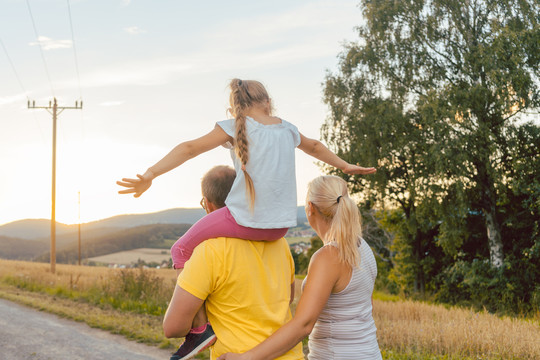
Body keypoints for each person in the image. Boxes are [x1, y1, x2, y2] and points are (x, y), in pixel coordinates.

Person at [117, 78, 376, 351]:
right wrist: (345, 165)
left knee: (180, 249)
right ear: (267, 102)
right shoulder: (287, 129)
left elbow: (189, 148)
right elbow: (315, 147)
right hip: (279, 229)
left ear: (234, 109)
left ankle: (199, 328)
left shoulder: (233, 127)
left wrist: (150, 174)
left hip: (244, 222)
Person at [218, 175, 382, 360]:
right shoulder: (362, 247)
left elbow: (303, 325)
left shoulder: (327, 258)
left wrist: (246, 357)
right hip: (370, 353)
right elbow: (366, 306)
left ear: (310, 208)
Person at [162, 165, 304, 360]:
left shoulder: (208, 251)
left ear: (207, 204)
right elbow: (287, 298)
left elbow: (173, 327)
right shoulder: (280, 243)